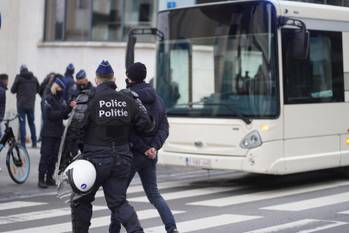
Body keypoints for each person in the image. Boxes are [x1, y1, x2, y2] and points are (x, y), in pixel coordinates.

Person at [69, 60, 154, 233]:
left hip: (94, 160)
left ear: (97, 79)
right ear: (113, 78)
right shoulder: (128, 98)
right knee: (119, 203)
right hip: (122, 159)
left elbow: (75, 129)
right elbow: (147, 125)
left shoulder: (88, 97)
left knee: (81, 200)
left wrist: (82, 148)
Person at [110, 62, 178, 233]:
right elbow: (164, 128)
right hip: (150, 156)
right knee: (154, 195)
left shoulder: (128, 99)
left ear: (130, 79)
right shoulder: (158, 99)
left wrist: (143, 148)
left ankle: (114, 230)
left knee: (118, 197)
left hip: (133, 154)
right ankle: (172, 229)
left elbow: (127, 131)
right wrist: (154, 147)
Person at [38, 75, 70, 188]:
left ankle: (49, 177)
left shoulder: (61, 100)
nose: (62, 91)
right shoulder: (48, 99)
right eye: (60, 89)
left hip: (57, 132)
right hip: (48, 132)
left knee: (54, 157)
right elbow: (49, 115)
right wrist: (63, 112)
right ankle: (41, 179)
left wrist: (70, 108)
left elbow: (65, 115)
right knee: (45, 156)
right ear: (56, 88)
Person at [11, 65, 39, 148]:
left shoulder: (18, 78)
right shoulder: (34, 78)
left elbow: (12, 90)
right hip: (31, 105)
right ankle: (34, 143)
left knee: (22, 124)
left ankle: (23, 144)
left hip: (21, 106)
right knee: (32, 124)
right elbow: (38, 89)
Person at [0, 74, 8, 138]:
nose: (8, 82)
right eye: (7, 80)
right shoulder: (1, 90)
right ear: (4, 80)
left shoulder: (2, 89)